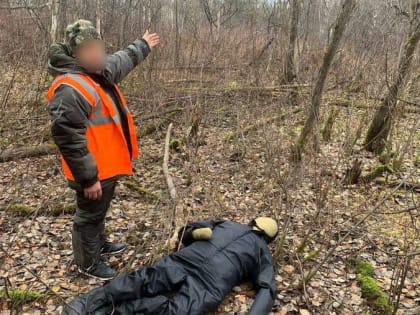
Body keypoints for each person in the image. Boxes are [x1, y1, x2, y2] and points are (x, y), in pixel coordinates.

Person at [46, 19, 160, 280]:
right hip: (91, 172)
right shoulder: (70, 87)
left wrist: (143, 44)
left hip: (105, 166)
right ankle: (88, 264)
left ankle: (100, 246)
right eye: (89, 49)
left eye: (99, 47)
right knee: (88, 216)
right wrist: (88, 178)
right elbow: (68, 139)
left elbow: (122, 60)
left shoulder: (96, 72)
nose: (97, 53)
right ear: (75, 54)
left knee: (98, 212)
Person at [62, 217, 278, 315]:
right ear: (270, 238)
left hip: (186, 262)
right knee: (177, 310)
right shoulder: (262, 252)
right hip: (209, 282)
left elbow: (186, 231)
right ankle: (115, 310)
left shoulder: (227, 224)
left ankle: (90, 304)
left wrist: (193, 233)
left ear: (252, 222)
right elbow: (267, 289)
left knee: (141, 280)